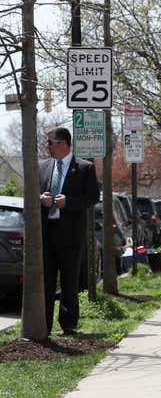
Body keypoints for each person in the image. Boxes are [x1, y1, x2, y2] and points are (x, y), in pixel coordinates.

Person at [38, 127, 100, 336]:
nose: (47, 146)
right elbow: (32, 194)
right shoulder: (43, 167)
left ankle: (68, 324)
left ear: (63, 144)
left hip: (70, 234)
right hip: (47, 232)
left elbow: (92, 198)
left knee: (69, 281)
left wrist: (69, 203)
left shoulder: (84, 168)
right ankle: (43, 325)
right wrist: (41, 200)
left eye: (50, 142)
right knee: (45, 281)